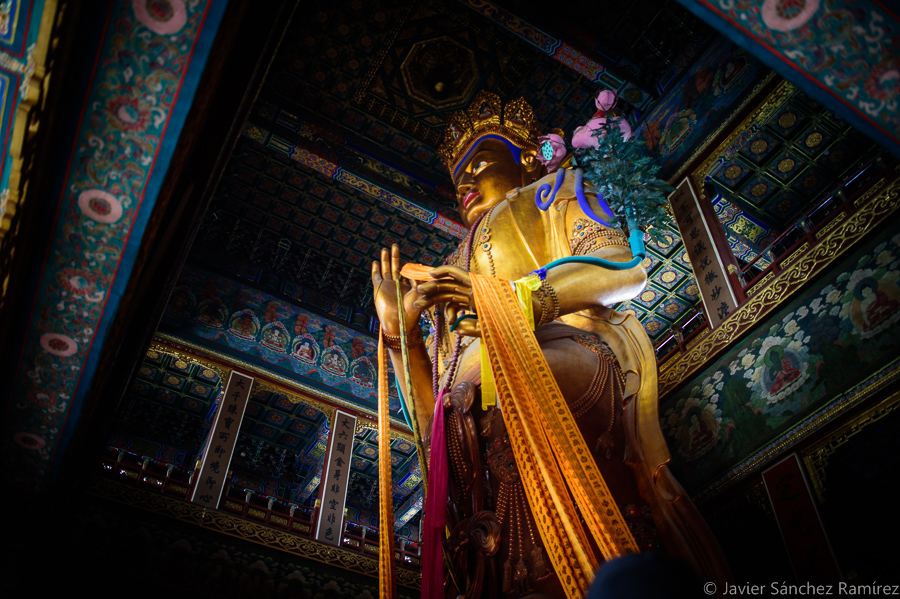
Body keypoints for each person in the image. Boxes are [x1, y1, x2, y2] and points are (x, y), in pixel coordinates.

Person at [371, 91, 728, 598]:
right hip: (470, 407)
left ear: (527, 160)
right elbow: (431, 414)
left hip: (557, 351)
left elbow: (623, 268)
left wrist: (511, 300)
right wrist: (399, 334)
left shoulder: (552, 192)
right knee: (448, 449)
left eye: (480, 162)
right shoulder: (449, 263)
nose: (466, 184)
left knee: (526, 397)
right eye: (458, 181)